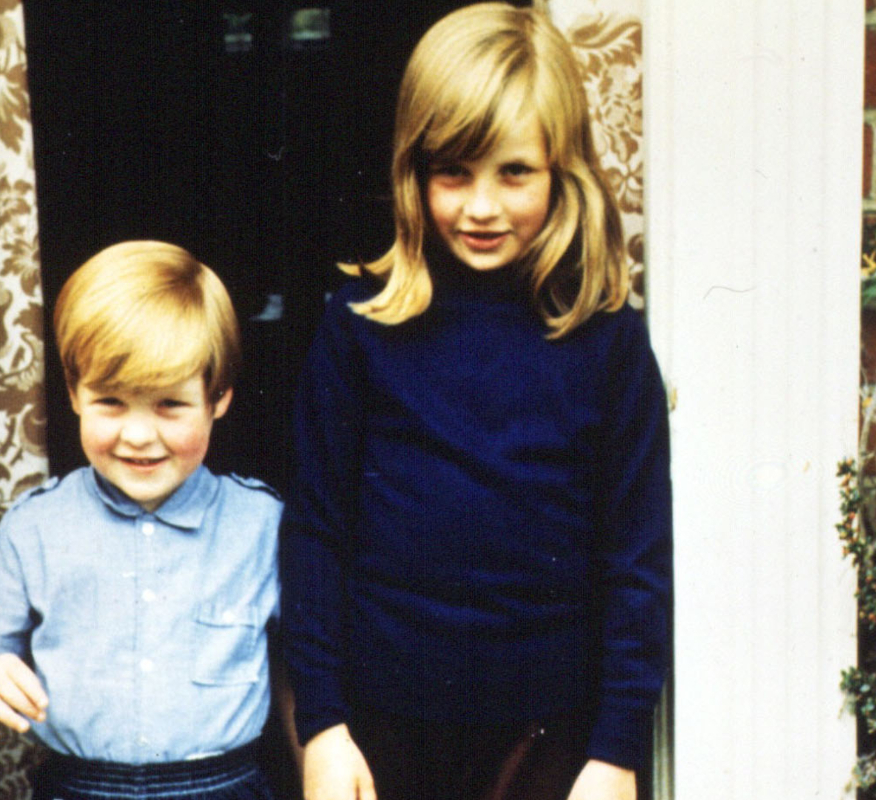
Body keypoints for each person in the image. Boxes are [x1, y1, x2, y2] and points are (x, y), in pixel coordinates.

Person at [281, 4, 672, 800]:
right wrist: (322, 727)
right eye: (452, 172)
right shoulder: (359, 326)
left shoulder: (606, 342)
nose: (481, 206)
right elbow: (315, 534)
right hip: (384, 726)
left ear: (563, 170)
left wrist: (617, 751)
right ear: (412, 170)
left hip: (545, 737)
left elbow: (636, 562)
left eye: (514, 173)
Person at [0, 241, 285, 800]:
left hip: (223, 786)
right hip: (78, 787)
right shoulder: (34, 528)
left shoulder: (263, 525)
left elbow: (305, 672)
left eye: (169, 405)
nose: (138, 435)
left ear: (219, 398)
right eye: (111, 401)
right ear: (73, 394)